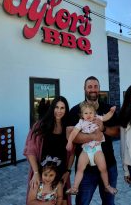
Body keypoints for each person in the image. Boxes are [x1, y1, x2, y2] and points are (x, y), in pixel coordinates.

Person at [67, 76, 120, 205]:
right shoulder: (75, 111)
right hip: (86, 168)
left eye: (96, 86)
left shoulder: (107, 109)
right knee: (82, 202)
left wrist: (103, 128)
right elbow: (70, 135)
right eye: (90, 87)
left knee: (108, 202)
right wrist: (92, 136)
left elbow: (117, 132)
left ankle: (107, 185)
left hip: (108, 164)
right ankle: (74, 187)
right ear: (84, 89)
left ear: (99, 89)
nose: (93, 89)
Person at [24, 96, 74, 205]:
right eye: (56, 107)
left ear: (66, 110)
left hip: (61, 176)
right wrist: (36, 172)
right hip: (43, 175)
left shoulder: (68, 129)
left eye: (62, 108)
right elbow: (30, 150)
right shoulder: (40, 125)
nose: (59, 111)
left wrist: (68, 171)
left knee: (62, 201)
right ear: (52, 108)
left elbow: (71, 153)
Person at [66, 102, 117, 195]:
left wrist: (111, 111)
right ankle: (75, 188)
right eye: (86, 113)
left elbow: (106, 117)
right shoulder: (81, 123)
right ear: (82, 115)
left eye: (91, 113)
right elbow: (73, 132)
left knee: (103, 168)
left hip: (97, 149)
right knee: (80, 168)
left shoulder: (96, 118)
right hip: (86, 150)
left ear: (94, 113)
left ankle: (107, 186)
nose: (88, 115)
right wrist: (69, 142)